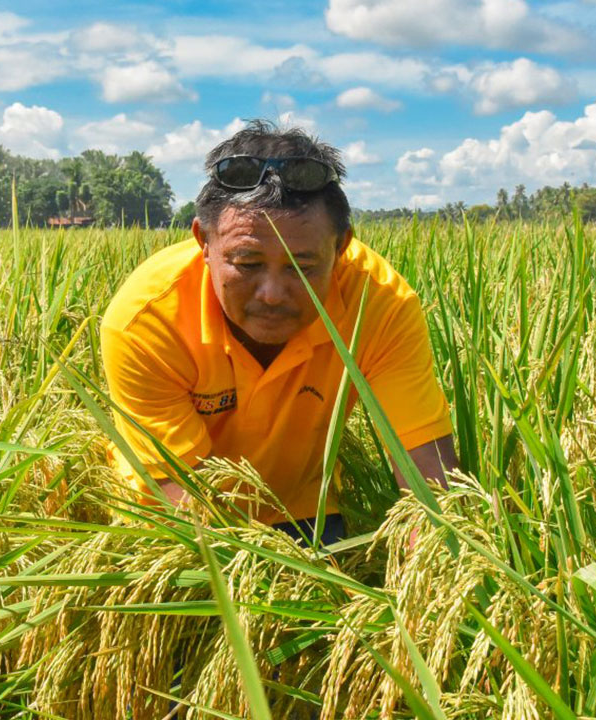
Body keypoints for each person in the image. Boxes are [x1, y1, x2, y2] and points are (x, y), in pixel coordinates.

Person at [100, 120, 457, 547]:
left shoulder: (379, 306)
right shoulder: (148, 319)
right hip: (171, 510)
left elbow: (428, 485)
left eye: (301, 268)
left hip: (301, 503)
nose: (272, 295)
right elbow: (182, 498)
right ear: (204, 243)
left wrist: (441, 575)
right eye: (247, 264)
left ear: (341, 248)